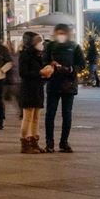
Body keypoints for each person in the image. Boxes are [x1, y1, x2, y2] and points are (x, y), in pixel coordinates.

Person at [42, 23, 84, 153]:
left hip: (68, 84)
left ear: (67, 34)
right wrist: (51, 65)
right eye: (58, 33)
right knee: (50, 114)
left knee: (67, 114)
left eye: (63, 33)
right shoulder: (50, 46)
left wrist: (71, 69)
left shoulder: (74, 47)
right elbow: (44, 61)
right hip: (53, 84)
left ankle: (64, 142)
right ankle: (49, 143)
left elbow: (81, 64)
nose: (61, 36)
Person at [17, 30, 46, 154]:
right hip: (28, 89)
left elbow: (42, 72)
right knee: (28, 117)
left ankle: (35, 142)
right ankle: (25, 143)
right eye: (39, 42)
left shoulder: (39, 55)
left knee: (36, 118)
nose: (41, 44)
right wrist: (39, 73)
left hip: (38, 88)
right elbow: (23, 73)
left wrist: (47, 73)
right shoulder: (25, 55)